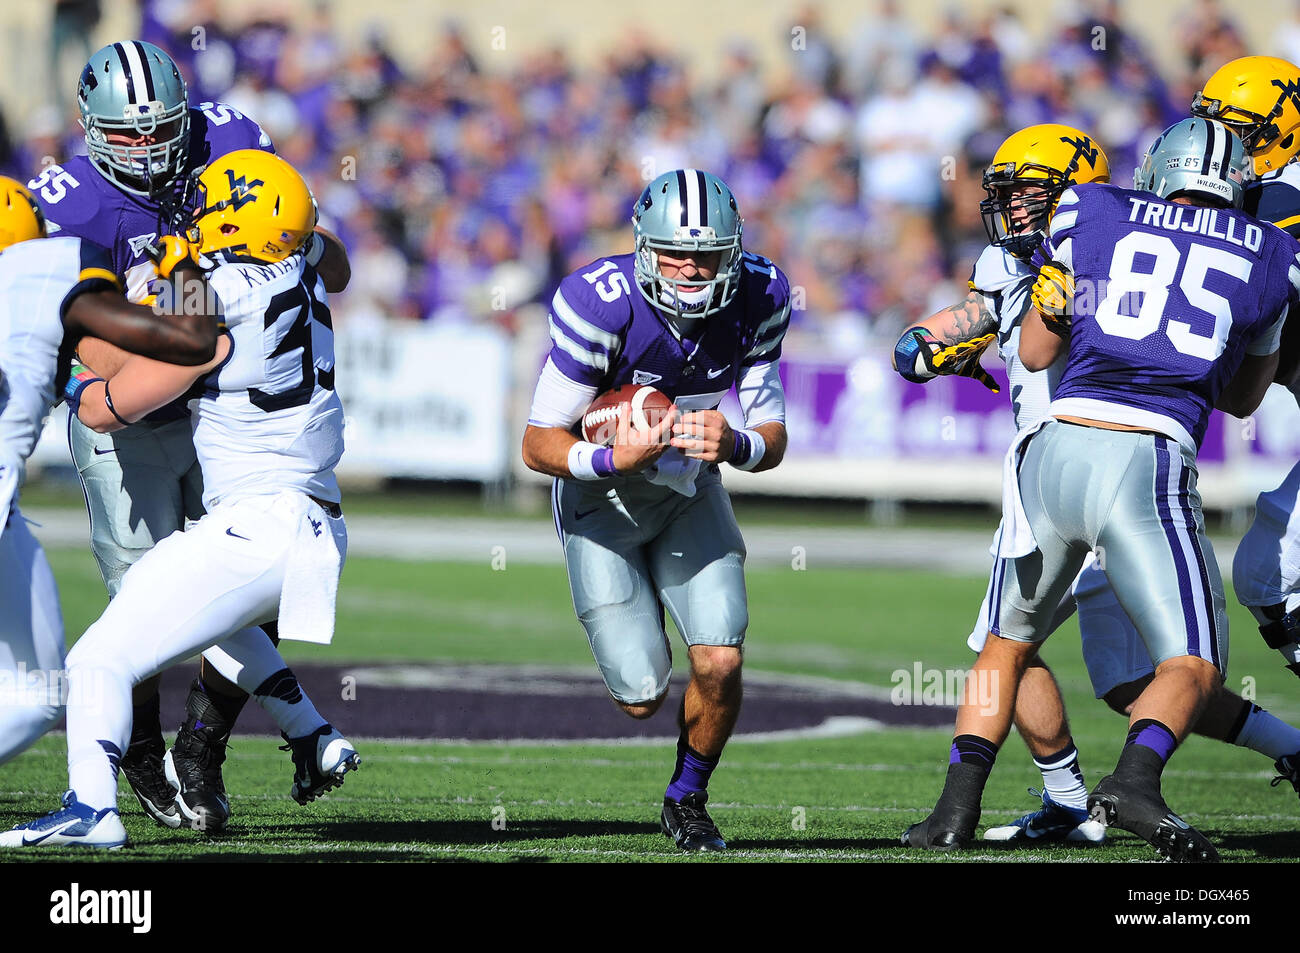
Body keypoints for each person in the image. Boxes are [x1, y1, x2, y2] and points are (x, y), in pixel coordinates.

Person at [905, 117, 1296, 862]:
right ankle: (1134, 782)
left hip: (1052, 455)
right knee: (1190, 666)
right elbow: (1244, 399)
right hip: (1145, 457)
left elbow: (1037, 346)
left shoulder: (1093, 212)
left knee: (1003, 645)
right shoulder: (1275, 251)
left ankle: (952, 812)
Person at [28, 39, 350, 832]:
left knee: (209, 593)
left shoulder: (232, 141)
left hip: (200, 410)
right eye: (127, 135)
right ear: (90, 128)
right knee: (143, 594)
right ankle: (145, 749)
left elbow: (318, 257)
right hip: (162, 419)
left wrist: (103, 371)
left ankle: (202, 749)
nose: (148, 149)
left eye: (159, 130)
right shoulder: (65, 200)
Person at [521, 169, 789, 851]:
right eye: (675, 253)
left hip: (688, 491)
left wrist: (736, 442)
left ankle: (687, 797)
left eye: (706, 253)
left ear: (734, 248)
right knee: (641, 694)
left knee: (721, 659)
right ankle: (637, 611)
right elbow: (536, 442)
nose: (693, 269)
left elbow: (772, 439)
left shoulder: (760, 293)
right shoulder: (599, 301)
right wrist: (615, 458)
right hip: (601, 498)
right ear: (643, 247)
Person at [0, 175, 219, 768]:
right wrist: (183, 274)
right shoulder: (41, 284)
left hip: (8, 517)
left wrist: (74, 381)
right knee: (55, 684)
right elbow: (192, 340)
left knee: (42, 696)